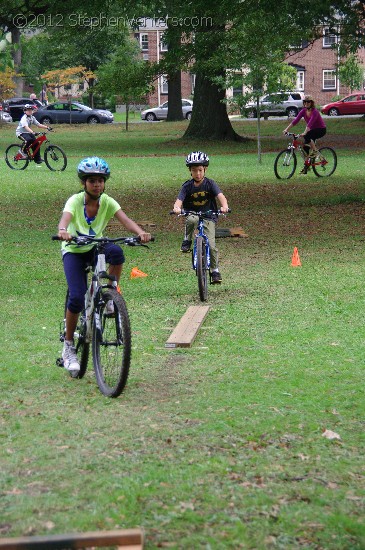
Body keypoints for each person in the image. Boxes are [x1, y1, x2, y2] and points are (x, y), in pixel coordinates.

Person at [57, 156, 151, 376]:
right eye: (92, 180)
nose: (97, 184)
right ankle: (69, 345)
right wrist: (63, 231)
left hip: (94, 247)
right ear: (84, 183)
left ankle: (111, 294)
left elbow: (125, 219)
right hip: (74, 250)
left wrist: (139, 233)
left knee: (116, 252)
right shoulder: (75, 201)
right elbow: (65, 218)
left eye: (100, 180)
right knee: (77, 298)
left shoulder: (108, 201)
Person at [173, 151, 229, 284]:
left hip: (209, 215)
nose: (197, 174)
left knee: (211, 244)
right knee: (191, 219)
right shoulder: (187, 186)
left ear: (205, 169)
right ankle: (187, 239)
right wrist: (176, 208)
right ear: (190, 171)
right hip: (192, 213)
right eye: (194, 170)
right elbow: (179, 200)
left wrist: (224, 206)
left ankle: (215, 270)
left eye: (200, 170)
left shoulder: (210, 184)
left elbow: (221, 196)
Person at [283, 95, 326, 174]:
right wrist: (286, 129)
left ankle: (315, 151)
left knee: (307, 135)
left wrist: (305, 132)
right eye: (305, 102)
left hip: (321, 130)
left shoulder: (315, 112)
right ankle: (306, 166)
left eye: (308, 102)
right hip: (311, 130)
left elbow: (310, 124)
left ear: (311, 103)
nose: (306, 103)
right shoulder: (303, 111)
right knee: (305, 148)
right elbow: (295, 121)